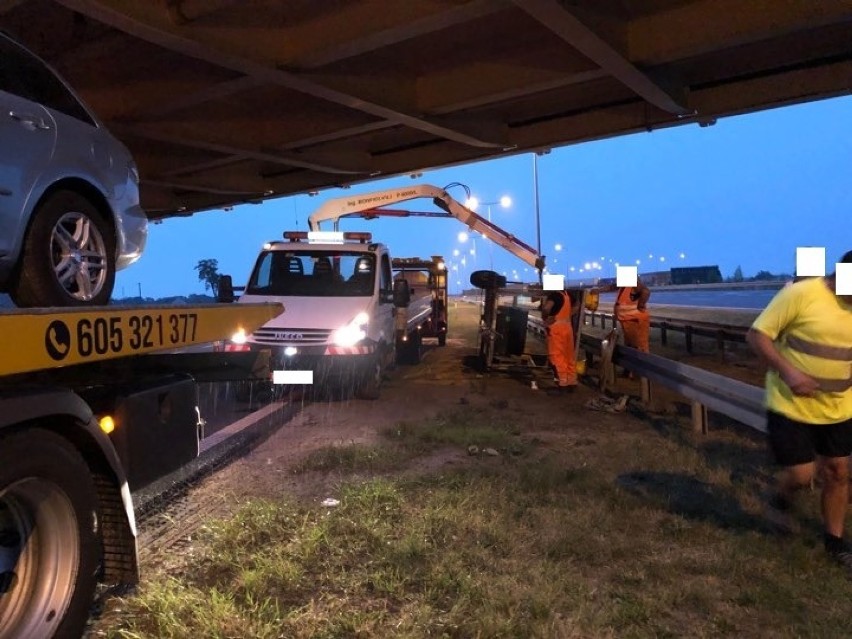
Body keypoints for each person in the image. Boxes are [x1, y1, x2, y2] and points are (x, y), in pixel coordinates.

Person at [746, 250, 852, 572]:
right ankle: (780, 499)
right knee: (802, 474)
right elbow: (757, 336)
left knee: (838, 471)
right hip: (790, 404)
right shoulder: (801, 295)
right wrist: (789, 373)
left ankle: (834, 542)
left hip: (839, 408)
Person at [540, 288, 577, 395]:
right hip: (567, 328)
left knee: (556, 357)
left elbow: (546, 308)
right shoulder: (567, 294)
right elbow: (577, 305)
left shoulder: (554, 296)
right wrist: (568, 315)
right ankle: (571, 382)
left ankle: (562, 385)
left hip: (556, 330)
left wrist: (545, 318)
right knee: (568, 356)